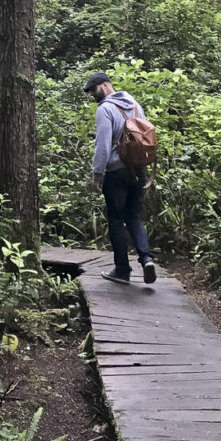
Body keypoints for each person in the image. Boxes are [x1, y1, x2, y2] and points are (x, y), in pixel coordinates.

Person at [84, 71, 156, 284]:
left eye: (93, 90)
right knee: (134, 216)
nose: (92, 95)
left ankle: (122, 270)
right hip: (138, 169)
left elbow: (103, 146)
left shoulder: (105, 109)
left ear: (105, 85)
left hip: (116, 173)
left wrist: (97, 174)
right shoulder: (135, 105)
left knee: (116, 219)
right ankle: (147, 259)